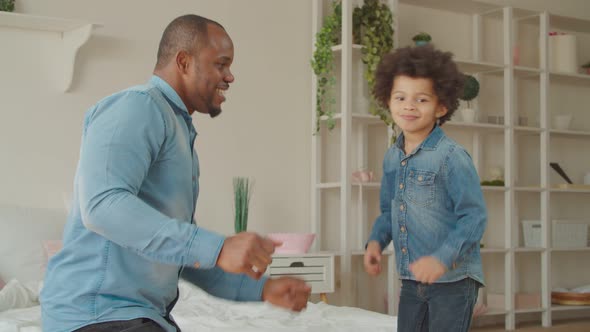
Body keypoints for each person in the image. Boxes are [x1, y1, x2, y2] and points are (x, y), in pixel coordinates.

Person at [40, 14, 311, 332]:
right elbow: (101, 206)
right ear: (184, 62)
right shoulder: (138, 107)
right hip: (96, 315)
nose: (230, 76)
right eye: (221, 64)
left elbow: (182, 254)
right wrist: (217, 246)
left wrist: (262, 289)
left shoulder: (178, 131)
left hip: (137, 318)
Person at [363, 45, 487, 332]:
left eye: (421, 99)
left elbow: (474, 217)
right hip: (411, 278)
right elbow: (388, 209)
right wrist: (375, 242)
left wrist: (441, 259)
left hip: (453, 281)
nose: (409, 106)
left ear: (441, 106)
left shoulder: (451, 157)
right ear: (387, 100)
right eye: (400, 97)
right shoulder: (393, 156)